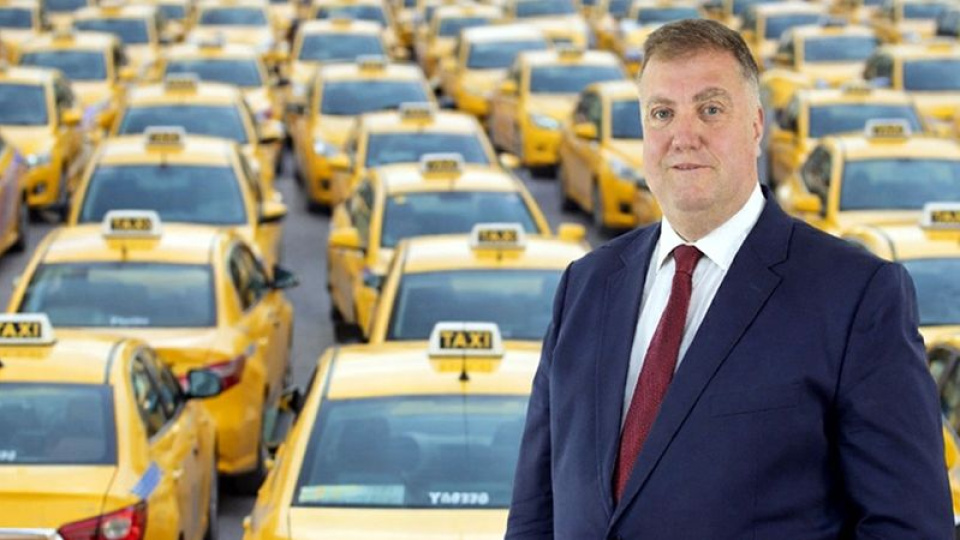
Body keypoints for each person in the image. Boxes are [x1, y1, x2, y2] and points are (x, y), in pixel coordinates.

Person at [505, 18, 952, 539]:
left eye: (710, 109)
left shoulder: (855, 296)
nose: (683, 136)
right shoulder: (585, 285)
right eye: (662, 113)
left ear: (757, 125)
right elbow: (536, 511)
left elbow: (909, 526)